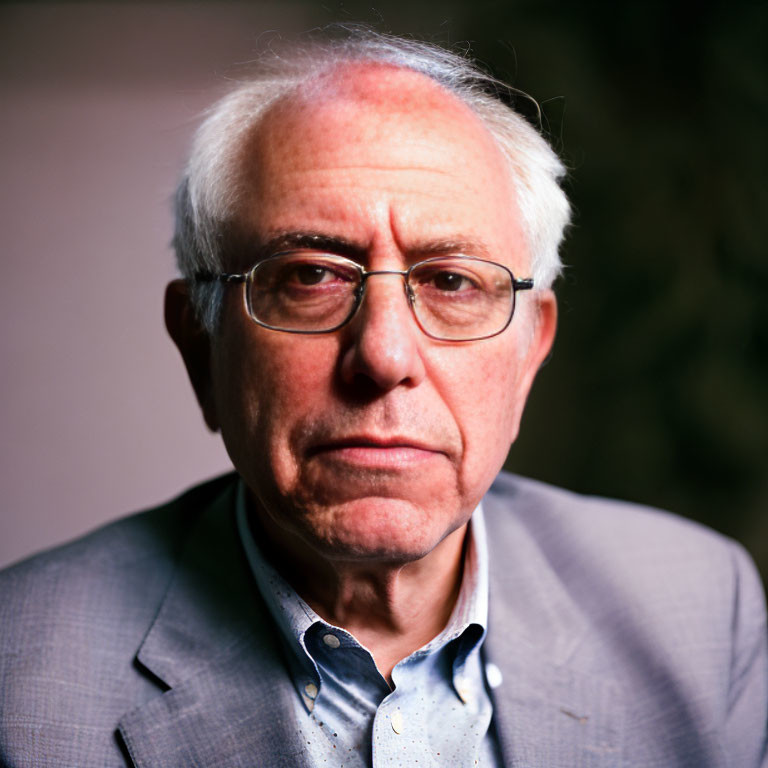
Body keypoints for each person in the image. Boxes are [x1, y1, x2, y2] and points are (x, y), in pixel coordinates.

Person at [1, 28, 766, 768]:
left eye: (453, 281)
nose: (384, 356)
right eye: (311, 275)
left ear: (530, 349)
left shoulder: (702, 607)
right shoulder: (18, 678)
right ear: (200, 346)